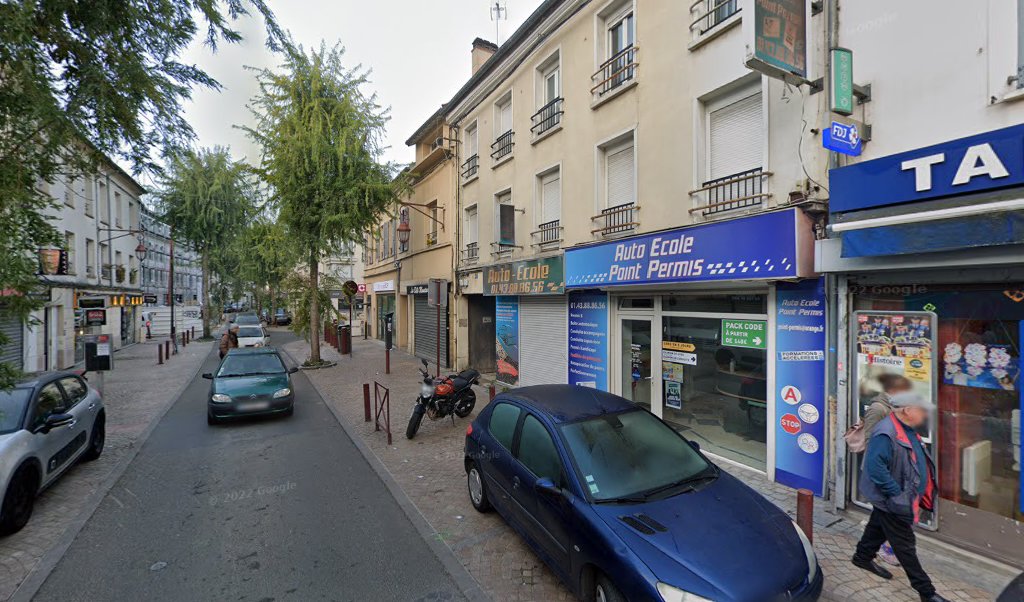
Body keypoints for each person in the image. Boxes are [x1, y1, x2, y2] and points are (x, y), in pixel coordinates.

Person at [852, 392, 947, 602]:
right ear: (907, 410)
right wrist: (897, 495)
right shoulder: (886, 432)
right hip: (893, 499)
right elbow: (875, 468)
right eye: (920, 409)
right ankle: (927, 592)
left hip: (896, 498)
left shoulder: (905, 428)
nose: (924, 414)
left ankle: (862, 557)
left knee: (876, 527)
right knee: (905, 545)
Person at [861, 374, 913, 566]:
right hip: (884, 469)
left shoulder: (896, 408)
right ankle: (886, 549)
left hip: (895, 469)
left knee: (884, 511)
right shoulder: (878, 409)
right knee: (889, 510)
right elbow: (870, 441)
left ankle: (872, 548)